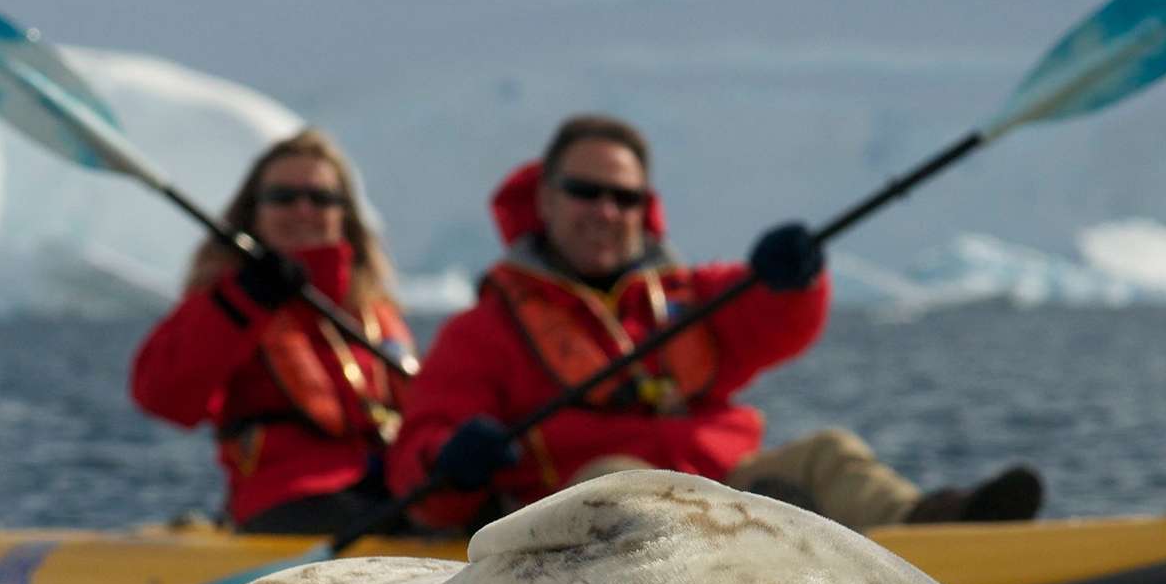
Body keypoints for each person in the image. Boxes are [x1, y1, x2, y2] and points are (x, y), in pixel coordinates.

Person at [386, 114, 1042, 532]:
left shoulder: (684, 295)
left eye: (625, 197)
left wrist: (796, 276)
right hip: (587, 527)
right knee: (616, 474)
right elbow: (421, 463)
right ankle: (780, 543)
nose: (606, 210)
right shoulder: (483, 330)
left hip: (721, 492)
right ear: (546, 200)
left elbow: (776, 319)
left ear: (646, 209)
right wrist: (450, 460)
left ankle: (933, 534)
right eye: (586, 192)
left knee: (827, 452)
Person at [130, 129, 416, 532]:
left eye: (320, 198)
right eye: (283, 197)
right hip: (287, 498)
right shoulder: (229, 299)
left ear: (344, 214)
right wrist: (246, 298)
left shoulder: (376, 313)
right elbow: (163, 396)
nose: (303, 209)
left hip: (394, 488)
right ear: (254, 213)